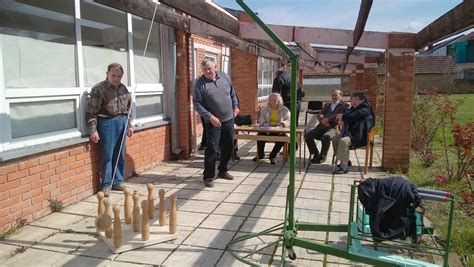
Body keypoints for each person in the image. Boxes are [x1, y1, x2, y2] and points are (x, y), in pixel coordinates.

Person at [87, 63, 134, 197]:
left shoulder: (123, 88)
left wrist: (129, 125)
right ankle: (106, 184)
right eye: (113, 75)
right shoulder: (99, 89)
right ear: (107, 74)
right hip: (107, 123)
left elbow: (128, 108)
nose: (116, 78)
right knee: (107, 155)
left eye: (119, 76)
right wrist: (93, 130)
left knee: (120, 153)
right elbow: (91, 112)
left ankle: (117, 181)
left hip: (122, 122)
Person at [193, 58, 240, 187]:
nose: (208, 71)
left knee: (229, 146)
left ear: (215, 67)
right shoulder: (200, 84)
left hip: (229, 119)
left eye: (210, 68)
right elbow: (197, 103)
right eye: (205, 70)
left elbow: (232, 92)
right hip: (213, 122)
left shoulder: (224, 77)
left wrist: (236, 106)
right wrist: (210, 116)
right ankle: (208, 176)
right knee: (212, 149)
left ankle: (223, 170)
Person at [332, 90, 375, 174]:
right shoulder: (354, 108)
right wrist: (343, 119)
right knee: (335, 139)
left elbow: (353, 116)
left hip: (361, 136)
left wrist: (343, 117)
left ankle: (344, 167)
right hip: (353, 134)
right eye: (352, 99)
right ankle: (345, 160)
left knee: (343, 141)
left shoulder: (365, 108)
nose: (354, 101)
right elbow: (348, 114)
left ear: (363, 100)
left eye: (356, 99)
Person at [304, 89, 349, 164]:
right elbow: (319, 114)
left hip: (334, 128)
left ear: (341, 96)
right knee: (308, 135)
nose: (334, 97)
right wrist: (323, 120)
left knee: (326, 137)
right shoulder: (327, 105)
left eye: (336, 95)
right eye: (332, 95)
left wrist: (328, 119)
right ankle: (315, 154)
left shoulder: (345, 105)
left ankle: (323, 156)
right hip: (323, 126)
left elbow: (340, 115)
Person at [252, 93, 291, 165]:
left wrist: (283, 123)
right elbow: (261, 119)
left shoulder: (285, 109)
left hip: (279, 129)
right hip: (268, 129)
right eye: (271, 100)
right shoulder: (264, 109)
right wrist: (264, 122)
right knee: (260, 136)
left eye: (275, 100)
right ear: (269, 101)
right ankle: (260, 155)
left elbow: (289, 120)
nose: (273, 102)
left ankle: (272, 156)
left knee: (282, 138)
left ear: (279, 101)